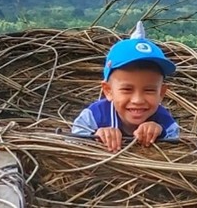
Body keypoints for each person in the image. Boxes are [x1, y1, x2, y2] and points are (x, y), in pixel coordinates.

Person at [72, 21, 179, 152]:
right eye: (127, 89)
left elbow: (177, 143)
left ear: (161, 93)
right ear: (108, 90)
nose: (138, 100)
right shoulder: (95, 115)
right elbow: (72, 141)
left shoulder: (163, 119)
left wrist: (159, 131)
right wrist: (95, 135)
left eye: (149, 90)